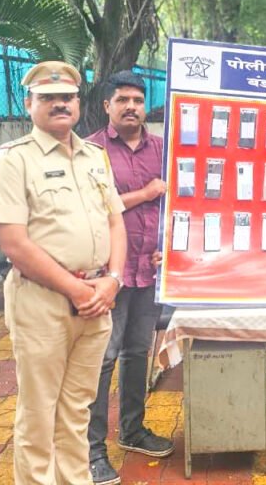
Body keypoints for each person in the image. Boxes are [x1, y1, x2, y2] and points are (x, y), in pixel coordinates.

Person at [0, 61, 127, 485]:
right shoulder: (14, 160)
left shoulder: (95, 156)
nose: (59, 104)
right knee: (39, 412)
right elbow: (14, 244)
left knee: (78, 408)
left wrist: (113, 280)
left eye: (66, 97)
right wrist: (77, 290)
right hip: (43, 301)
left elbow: (115, 221)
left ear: (78, 103)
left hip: (97, 298)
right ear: (29, 104)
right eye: (47, 98)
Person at [85, 70, 172, 484]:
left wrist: (168, 246)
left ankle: (133, 430)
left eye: (137, 100)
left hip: (150, 270)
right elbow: (91, 209)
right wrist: (146, 194)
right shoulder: (90, 152)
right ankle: (92, 450)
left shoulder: (164, 149)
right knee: (102, 358)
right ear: (107, 106)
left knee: (138, 352)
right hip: (110, 274)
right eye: (122, 100)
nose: (131, 107)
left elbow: (177, 205)